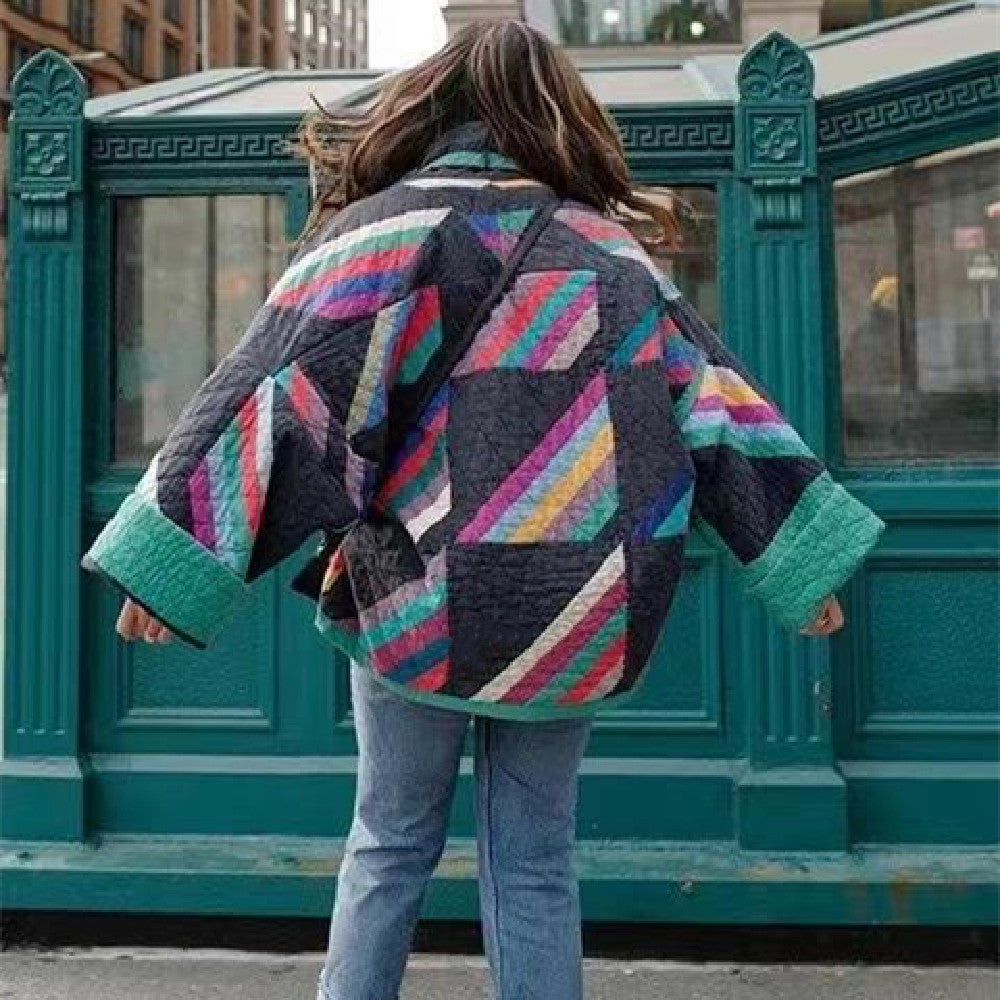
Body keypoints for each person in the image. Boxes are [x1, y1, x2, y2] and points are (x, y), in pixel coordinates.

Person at [83, 20, 885, 1000]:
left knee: (388, 840)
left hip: (416, 595)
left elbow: (274, 389)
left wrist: (170, 563)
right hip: (573, 603)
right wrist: (799, 563)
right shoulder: (612, 254)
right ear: (559, 114)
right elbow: (716, 406)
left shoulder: (379, 233)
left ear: (433, 103)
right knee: (535, 855)